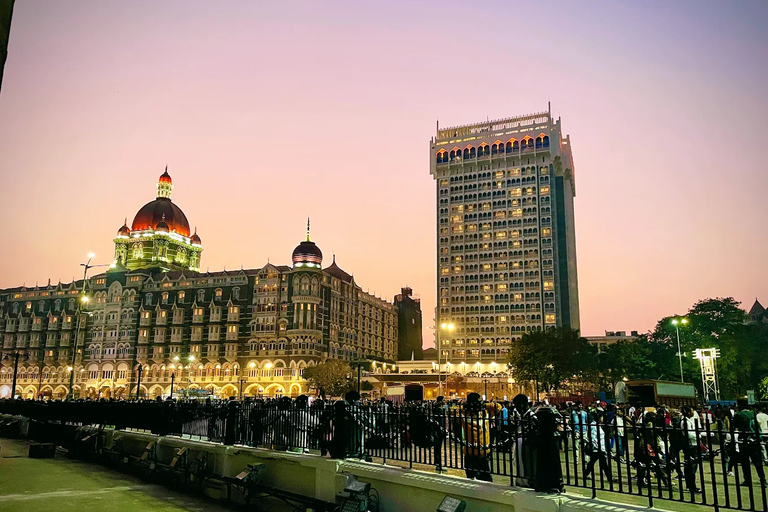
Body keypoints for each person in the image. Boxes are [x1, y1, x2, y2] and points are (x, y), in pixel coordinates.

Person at [460, 392, 492, 481]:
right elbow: (452, 410)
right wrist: (468, 406)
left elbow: (498, 407)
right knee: (471, 477)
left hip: (482, 452)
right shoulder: (464, 414)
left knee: (486, 477)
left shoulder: (485, 413)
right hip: (470, 451)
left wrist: (484, 405)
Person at [734, 401, 766, 487]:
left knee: (745, 462)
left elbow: (735, 426)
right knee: (757, 461)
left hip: (744, 439)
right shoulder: (753, 413)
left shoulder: (738, 415)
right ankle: (763, 479)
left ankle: (747, 480)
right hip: (754, 439)